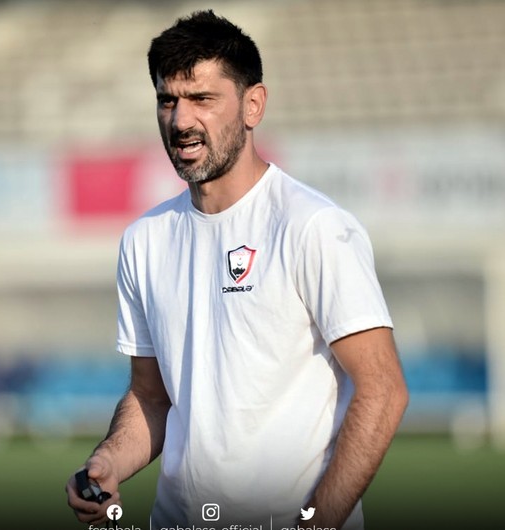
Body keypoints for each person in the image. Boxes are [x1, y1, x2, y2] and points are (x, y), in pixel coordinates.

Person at [66, 10, 408, 530]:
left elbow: (383, 391)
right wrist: (108, 462)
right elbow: (152, 397)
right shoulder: (143, 240)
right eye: (167, 100)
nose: (181, 121)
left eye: (202, 99)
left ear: (253, 105)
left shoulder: (312, 225)